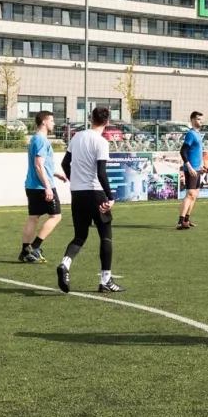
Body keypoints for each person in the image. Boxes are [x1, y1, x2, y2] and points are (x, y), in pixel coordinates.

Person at [57, 107, 122, 294]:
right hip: (95, 193)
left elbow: (64, 164)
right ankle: (105, 280)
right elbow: (101, 172)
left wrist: (73, 179)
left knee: (80, 235)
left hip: (77, 194)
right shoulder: (101, 142)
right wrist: (110, 197)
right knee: (106, 236)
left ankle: (65, 264)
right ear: (107, 122)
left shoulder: (77, 137)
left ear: (90, 118)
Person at [19, 111, 65, 263]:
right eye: (51, 120)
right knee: (56, 216)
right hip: (41, 186)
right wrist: (47, 186)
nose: (54, 123)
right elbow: (39, 165)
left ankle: (25, 251)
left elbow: (42, 165)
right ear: (44, 122)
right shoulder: (41, 140)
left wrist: (56, 173)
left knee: (34, 217)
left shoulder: (36, 139)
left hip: (32, 185)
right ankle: (36, 247)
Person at [177, 111, 205, 230]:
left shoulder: (198, 134)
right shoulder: (191, 134)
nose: (201, 121)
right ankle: (180, 222)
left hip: (197, 169)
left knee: (195, 195)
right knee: (190, 194)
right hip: (191, 170)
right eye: (199, 119)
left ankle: (187, 220)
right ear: (193, 120)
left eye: (201, 119)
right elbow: (182, 151)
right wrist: (189, 167)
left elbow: (196, 152)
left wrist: (201, 164)